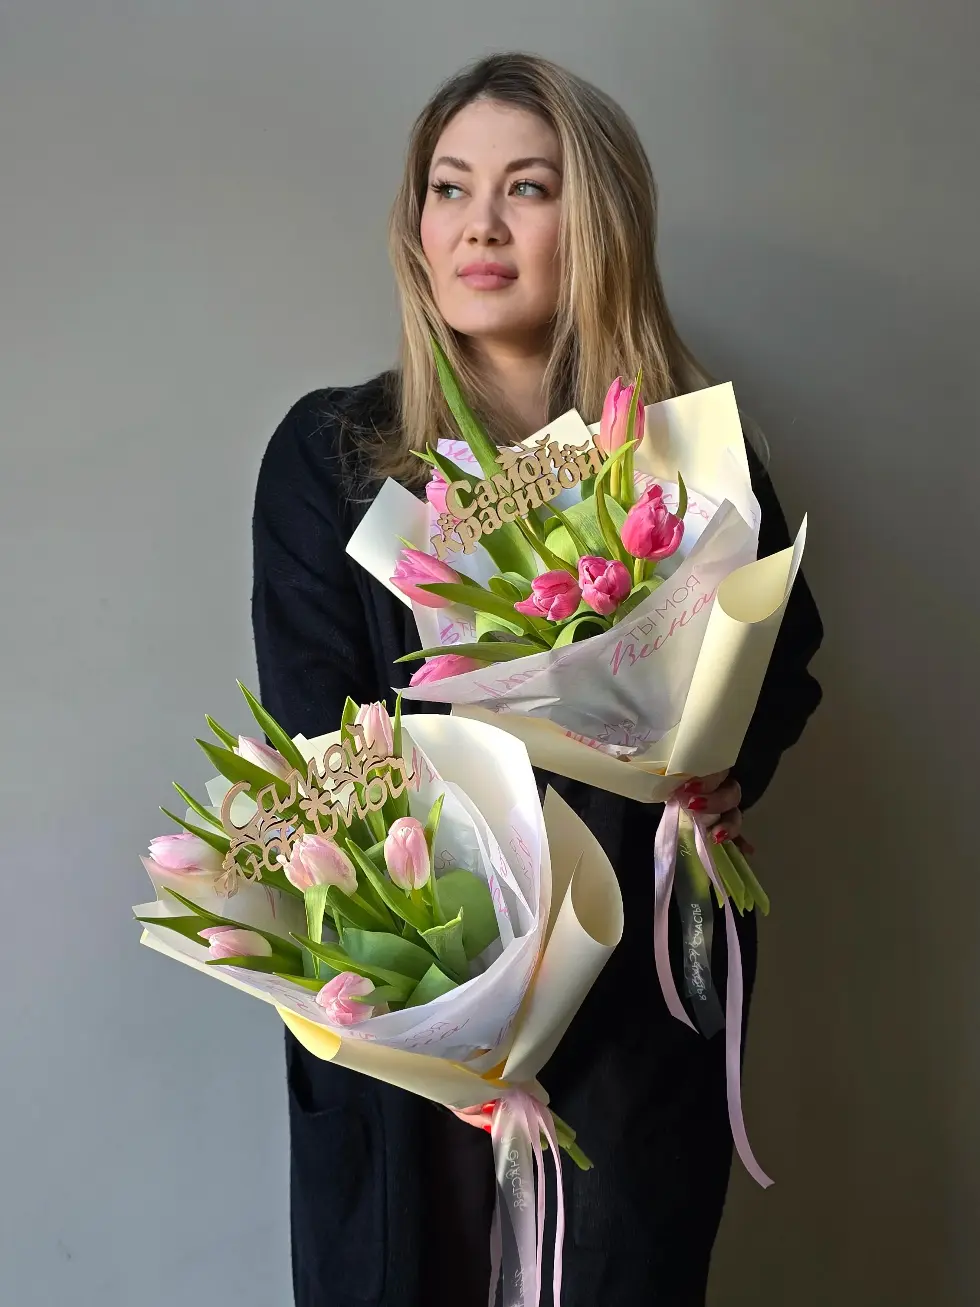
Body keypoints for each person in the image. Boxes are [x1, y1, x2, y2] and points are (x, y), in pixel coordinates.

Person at [252, 51, 823, 1307]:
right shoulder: (334, 457)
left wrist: (720, 771)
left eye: (527, 187)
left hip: (639, 996)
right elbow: (321, 748)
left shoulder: (689, 454)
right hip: (429, 1002)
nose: (479, 226)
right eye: (448, 188)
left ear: (596, 218)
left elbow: (782, 660)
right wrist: (452, 1015)